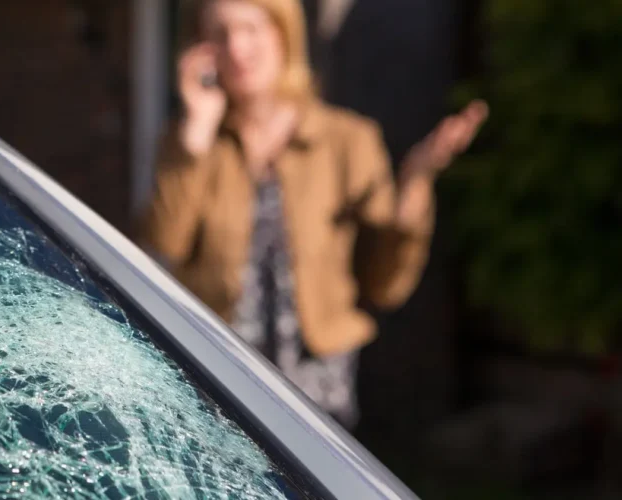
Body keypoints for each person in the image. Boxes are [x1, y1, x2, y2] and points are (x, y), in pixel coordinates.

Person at [137, 0, 488, 429]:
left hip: (318, 391)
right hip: (216, 381)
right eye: (220, 33)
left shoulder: (349, 140)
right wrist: (194, 139)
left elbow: (385, 285)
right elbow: (161, 247)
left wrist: (415, 183)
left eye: (251, 29)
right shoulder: (191, 140)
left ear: (284, 34)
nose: (237, 47)